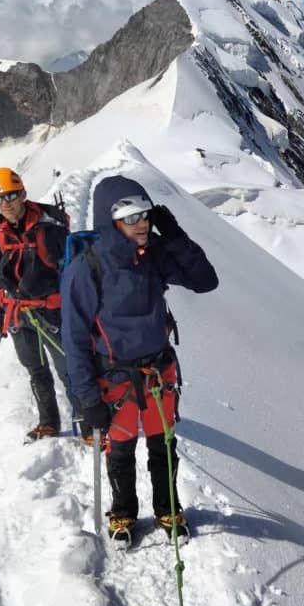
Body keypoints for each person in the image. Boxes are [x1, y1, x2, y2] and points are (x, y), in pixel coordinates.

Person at [61, 176, 218, 542]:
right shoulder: (86, 268)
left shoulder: (154, 255)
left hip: (157, 373)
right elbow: (75, 340)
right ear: (111, 221)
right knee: (121, 450)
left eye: (145, 215)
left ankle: (168, 509)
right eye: (132, 218)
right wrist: (87, 401)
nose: (143, 224)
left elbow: (204, 280)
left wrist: (176, 237)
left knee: (163, 445)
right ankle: (123, 513)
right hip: (114, 380)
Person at [0, 167, 88, 440]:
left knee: (70, 369)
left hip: (52, 310)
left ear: (23, 193)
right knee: (36, 370)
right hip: (18, 314)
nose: (6, 203)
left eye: (11, 195)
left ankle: (88, 423)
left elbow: (72, 269)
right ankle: (49, 422)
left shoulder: (50, 228)